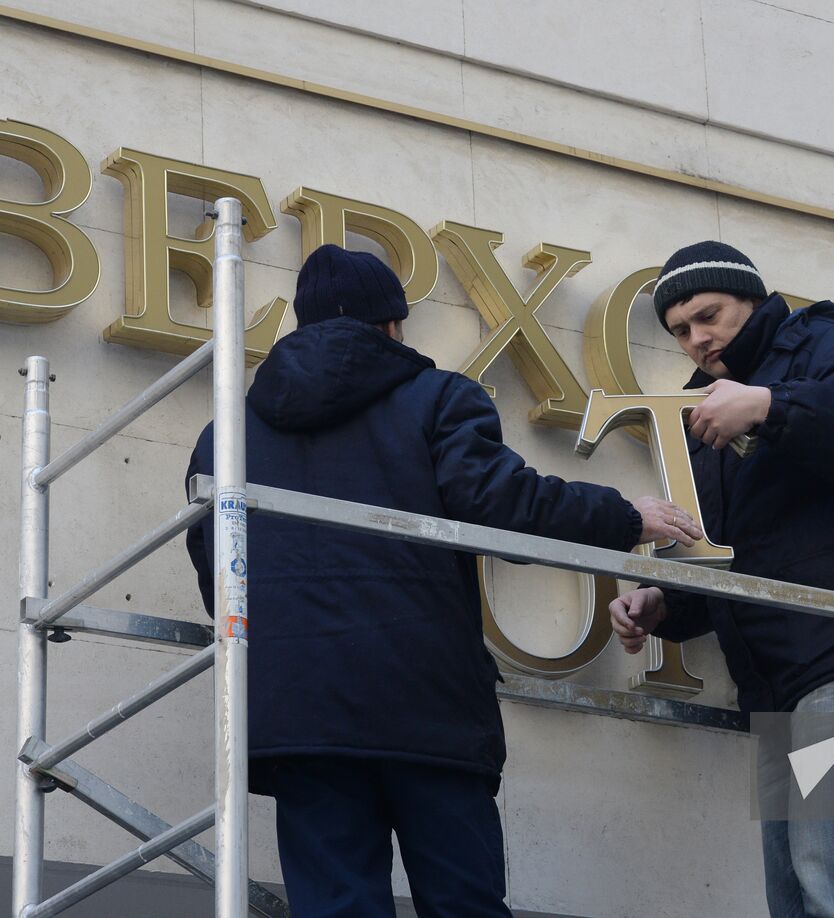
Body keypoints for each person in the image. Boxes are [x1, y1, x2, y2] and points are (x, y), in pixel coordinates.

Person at [185, 244, 702, 918]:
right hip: (424, 699)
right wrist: (622, 515)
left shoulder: (225, 433)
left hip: (300, 711)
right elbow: (501, 505)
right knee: (463, 902)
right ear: (392, 325)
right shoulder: (434, 398)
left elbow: (217, 567)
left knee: (337, 905)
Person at [609, 241, 834, 917]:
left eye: (709, 315)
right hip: (779, 682)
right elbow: (736, 547)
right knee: (796, 895)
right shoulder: (701, 409)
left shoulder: (825, 341)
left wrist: (770, 407)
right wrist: (666, 602)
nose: (697, 338)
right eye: (680, 330)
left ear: (752, 298)